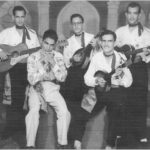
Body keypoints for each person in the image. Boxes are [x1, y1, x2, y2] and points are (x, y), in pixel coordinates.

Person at [84, 30, 133, 149]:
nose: (106, 44)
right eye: (104, 41)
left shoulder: (121, 57)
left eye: (110, 41)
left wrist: (120, 79)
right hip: (99, 92)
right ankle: (77, 142)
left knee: (116, 105)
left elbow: (129, 80)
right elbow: (87, 78)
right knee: (83, 110)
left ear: (115, 42)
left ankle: (110, 145)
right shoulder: (96, 57)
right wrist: (96, 80)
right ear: (100, 42)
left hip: (115, 92)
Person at [25, 29, 71, 149]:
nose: (48, 47)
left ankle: (62, 144)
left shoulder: (59, 56)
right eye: (46, 43)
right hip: (36, 88)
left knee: (65, 112)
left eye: (52, 45)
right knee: (33, 112)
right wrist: (42, 67)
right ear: (41, 41)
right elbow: (31, 79)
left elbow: (62, 77)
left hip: (52, 88)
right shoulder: (33, 57)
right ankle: (30, 145)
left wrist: (54, 64)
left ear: (55, 44)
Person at [0, 5, 40, 140]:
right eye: (17, 16)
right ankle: (11, 128)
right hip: (11, 68)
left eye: (22, 16)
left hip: (28, 67)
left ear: (25, 17)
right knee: (15, 98)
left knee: (25, 98)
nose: (20, 20)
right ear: (13, 17)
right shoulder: (5, 33)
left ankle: (22, 126)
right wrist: (2, 53)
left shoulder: (32, 34)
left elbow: (37, 52)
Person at [115, 2, 150, 147]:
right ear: (126, 14)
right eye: (129, 13)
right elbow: (114, 51)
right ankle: (121, 131)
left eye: (135, 13)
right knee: (123, 99)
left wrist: (144, 56)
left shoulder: (147, 33)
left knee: (140, 100)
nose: (132, 16)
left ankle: (141, 133)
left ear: (139, 14)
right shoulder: (119, 32)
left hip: (140, 69)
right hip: (124, 69)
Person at [62, 13, 95, 149]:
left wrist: (97, 46)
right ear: (71, 25)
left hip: (89, 72)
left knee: (86, 105)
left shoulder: (92, 38)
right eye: (74, 23)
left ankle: (77, 140)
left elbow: (98, 57)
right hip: (75, 76)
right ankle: (75, 140)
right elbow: (66, 62)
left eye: (79, 23)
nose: (76, 26)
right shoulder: (68, 42)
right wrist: (72, 59)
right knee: (74, 105)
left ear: (83, 24)